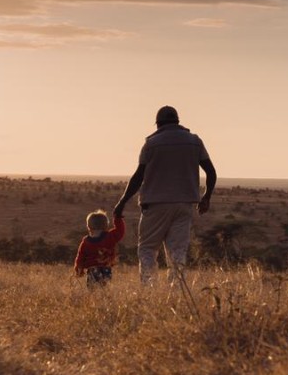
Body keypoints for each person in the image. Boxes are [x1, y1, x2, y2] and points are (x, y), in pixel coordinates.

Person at [113, 105, 216, 285]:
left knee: (147, 248)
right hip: (184, 204)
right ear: (177, 121)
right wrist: (206, 197)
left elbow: (138, 176)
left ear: (158, 124)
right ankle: (177, 290)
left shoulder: (151, 144)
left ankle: (149, 287)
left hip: (155, 204)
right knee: (177, 251)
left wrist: (122, 202)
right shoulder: (194, 141)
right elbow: (211, 172)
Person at [73, 209, 126, 286]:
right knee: (105, 288)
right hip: (106, 269)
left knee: (92, 289)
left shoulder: (86, 242)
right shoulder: (110, 237)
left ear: (88, 227)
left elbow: (80, 256)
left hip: (91, 270)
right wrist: (117, 218)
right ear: (106, 226)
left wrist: (79, 270)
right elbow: (120, 230)